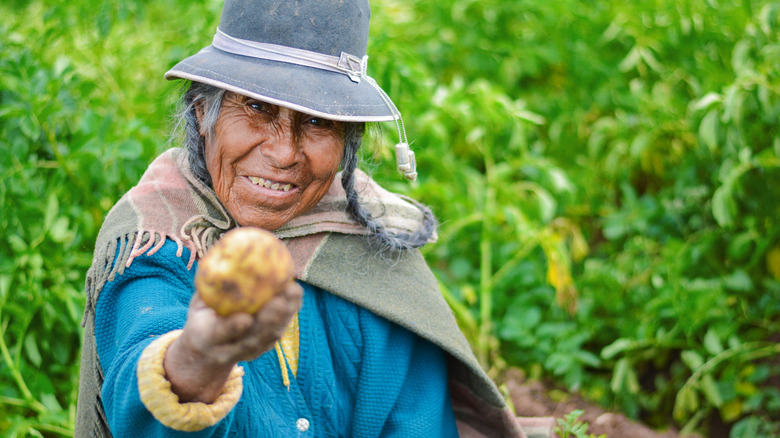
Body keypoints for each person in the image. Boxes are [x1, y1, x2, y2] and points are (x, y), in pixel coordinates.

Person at [75, 0, 545, 436]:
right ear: (203, 113)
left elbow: (417, 423)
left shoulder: (373, 252)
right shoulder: (156, 238)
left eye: (318, 121)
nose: (284, 153)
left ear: (347, 143)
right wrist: (199, 360)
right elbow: (138, 382)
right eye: (257, 108)